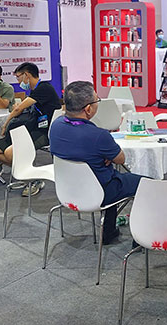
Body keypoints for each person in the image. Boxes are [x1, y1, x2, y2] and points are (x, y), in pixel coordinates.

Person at [50, 81, 143, 242]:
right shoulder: (99, 136)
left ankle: (109, 231)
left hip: (67, 189)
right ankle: (140, 238)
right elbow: (120, 159)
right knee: (144, 183)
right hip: (100, 191)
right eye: (97, 100)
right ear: (88, 109)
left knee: (110, 176)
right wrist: (104, 154)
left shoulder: (56, 126)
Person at [0, 62, 61, 195]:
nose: (18, 81)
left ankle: (33, 179)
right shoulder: (33, 91)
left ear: (26, 75)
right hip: (30, 129)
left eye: (18, 77)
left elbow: (19, 109)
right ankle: (28, 174)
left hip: (44, 132)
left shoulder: (44, 88)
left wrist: (5, 124)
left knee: (10, 152)